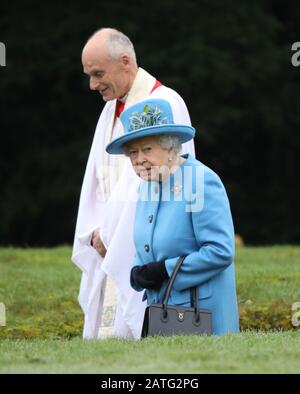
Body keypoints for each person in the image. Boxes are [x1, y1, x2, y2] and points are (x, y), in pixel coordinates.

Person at [71, 28, 195, 339]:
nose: (92, 84)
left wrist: (111, 232)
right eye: (89, 74)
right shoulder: (109, 109)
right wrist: (94, 230)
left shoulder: (166, 103)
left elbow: (173, 180)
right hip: (106, 241)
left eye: (98, 74)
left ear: (125, 61)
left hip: (144, 242)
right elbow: (97, 178)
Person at [105, 98, 239, 335]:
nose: (139, 160)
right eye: (132, 153)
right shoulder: (147, 186)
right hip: (163, 311)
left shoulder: (198, 182)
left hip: (203, 315)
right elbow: (148, 244)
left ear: (170, 148)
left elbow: (220, 251)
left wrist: (163, 270)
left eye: (147, 149)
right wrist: (139, 269)